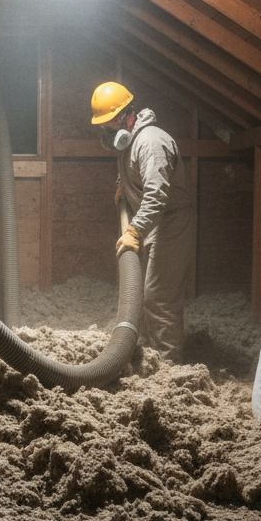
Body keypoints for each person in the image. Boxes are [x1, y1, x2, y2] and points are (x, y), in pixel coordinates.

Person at [91, 81, 196, 362]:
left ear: (128, 116)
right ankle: (150, 350)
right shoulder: (131, 142)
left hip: (170, 222)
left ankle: (168, 363)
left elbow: (157, 194)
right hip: (152, 221)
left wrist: (134, 230)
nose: (108, 131)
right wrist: (122, 185)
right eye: (104, 126)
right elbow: (137, 174)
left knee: (158, 296)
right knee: (145, 293)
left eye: (111, 124)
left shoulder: (151, 142)